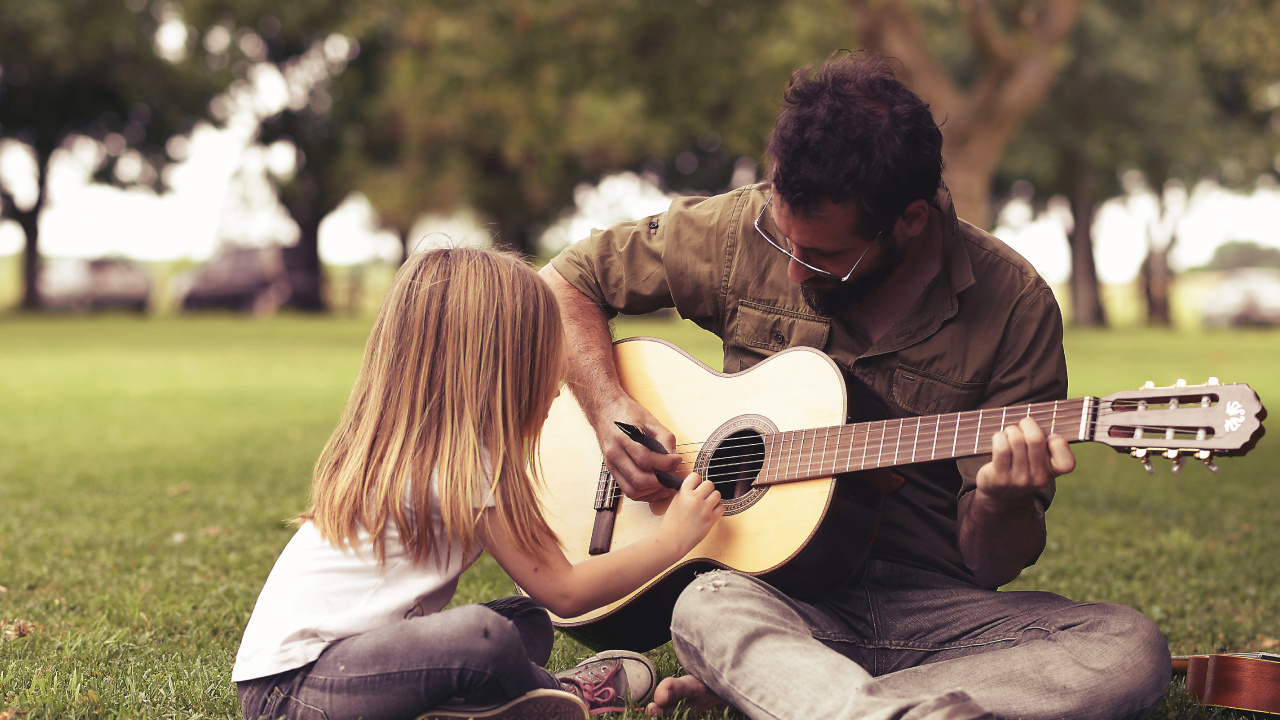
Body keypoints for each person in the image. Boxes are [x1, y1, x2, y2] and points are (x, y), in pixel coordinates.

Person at [539, 52, 1172, 720]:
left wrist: (1002, 502)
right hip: (772, 595)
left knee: (1131, 649)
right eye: (786, 243)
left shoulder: (1016, 307)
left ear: (911, 221)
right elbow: (562, 283)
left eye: (824, 260)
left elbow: (991, 564)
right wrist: (608, 405)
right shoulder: (739, 230)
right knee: (703, 607)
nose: (793, 274)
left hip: (932, 614)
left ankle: (796, 697)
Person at [232, 248, 724, 720]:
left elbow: (546, 596)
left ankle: (467, 705)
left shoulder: (421, 449)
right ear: (500, 367)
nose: (558, 378)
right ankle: (558, 696)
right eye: (544, 354)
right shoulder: (467, 468)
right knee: (484, 636)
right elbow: (567, 592)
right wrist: (673, 539)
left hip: (314, 678)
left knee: (524, 622)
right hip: (298, 692)